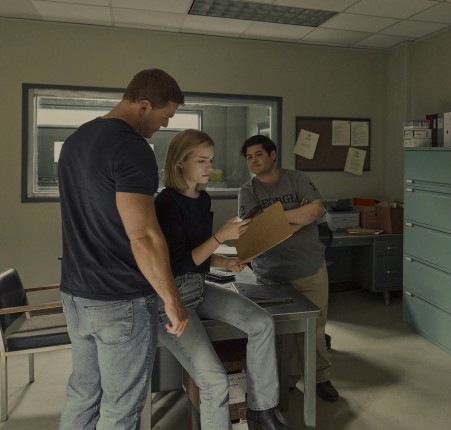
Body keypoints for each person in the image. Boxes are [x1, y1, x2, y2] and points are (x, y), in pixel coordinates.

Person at [58, 69, 189, 429]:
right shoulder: (132, 148)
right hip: (119, 298)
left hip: (75, 293)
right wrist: (171, 299)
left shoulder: (75, 140)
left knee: (83, 393)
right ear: (144, 105)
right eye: (164, 117)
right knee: (121, 408)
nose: (164, 125)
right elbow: (143, 235)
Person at [154, 129, 291, 430]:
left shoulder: (202, 199)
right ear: (180, 163)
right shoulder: (166, 203)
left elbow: (198, 252)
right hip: (172, 298)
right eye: (201, 160)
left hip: (199, 287)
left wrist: (225, 261)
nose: (209, 167)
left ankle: (262, 410)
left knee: (263, 323)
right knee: (215, 381)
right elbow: (178, 263)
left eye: (211, 160)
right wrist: (221, 237)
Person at [238, 135, 339, 402]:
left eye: (259, 154)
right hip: (271, 275)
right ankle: (290, 378)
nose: (253, 161)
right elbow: (255, 231)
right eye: (249, 157)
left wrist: (273, 220)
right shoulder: (248, 191)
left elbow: (315, 211)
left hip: (309, 269)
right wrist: (298, 218)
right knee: (283, 334)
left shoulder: (297, 178)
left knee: (315, 328)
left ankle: (320, 378)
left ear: (273, 154)